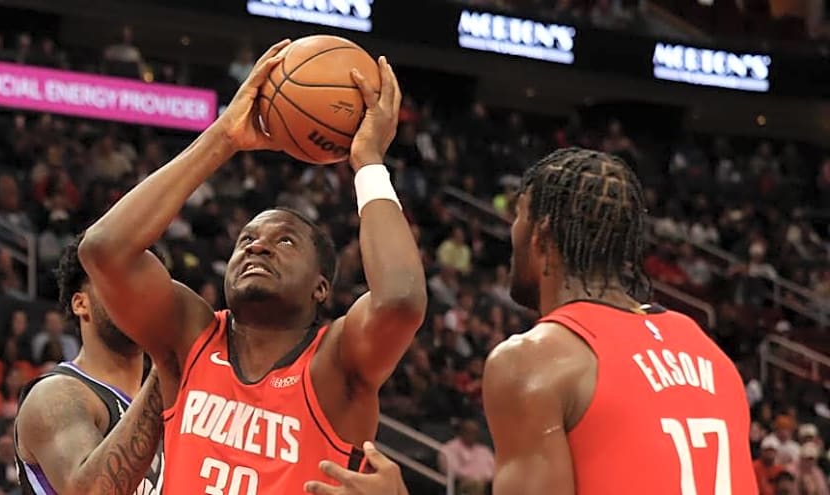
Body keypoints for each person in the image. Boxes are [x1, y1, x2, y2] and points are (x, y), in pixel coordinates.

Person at [78, 39, 426, 493]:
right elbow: (104, 248)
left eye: (284, 240)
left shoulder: (335, 363)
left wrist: (368, 162)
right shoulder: (190, 335)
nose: (258, 248)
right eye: (246, 239)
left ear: (321, 287)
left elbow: (400, 299)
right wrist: (223, 137)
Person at [306, 148, 757, 494]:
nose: (511, 234)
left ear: (540, 233)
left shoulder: (535, 360)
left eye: (516, 219)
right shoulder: (709, 354)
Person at [15, 236, 164, 494]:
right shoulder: (55, 395)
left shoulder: (168, 407)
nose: (135, 291)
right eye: (115, 279)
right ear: (81, 303)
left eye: (144, 282)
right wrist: (167, 365)